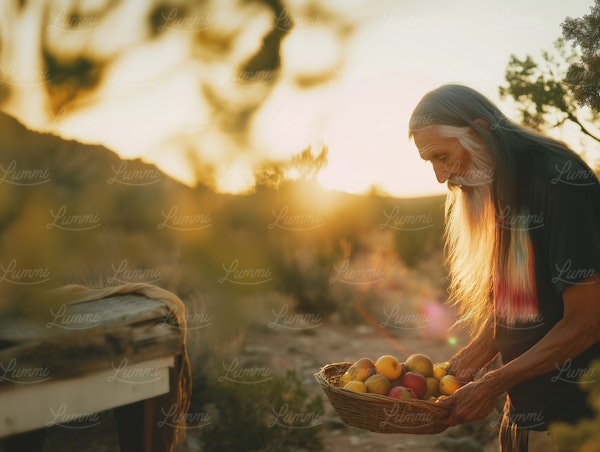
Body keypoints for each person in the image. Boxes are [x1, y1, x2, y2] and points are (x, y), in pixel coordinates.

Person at [408, 84, 600, 451]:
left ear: (480, 131)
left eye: (442, 156)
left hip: (573, 426)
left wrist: (492, 384)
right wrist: (470, 360)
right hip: (522, 420)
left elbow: (587, 321)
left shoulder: (556, 181)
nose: (440, 176)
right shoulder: (505, 186)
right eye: (429, 161)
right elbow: (519, 304)